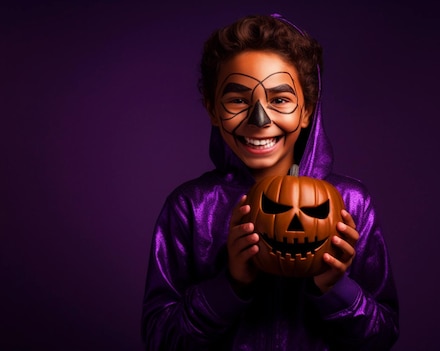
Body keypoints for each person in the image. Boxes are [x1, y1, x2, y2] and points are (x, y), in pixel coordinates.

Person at [141, 13, 399, 350]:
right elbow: (161, 341)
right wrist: (230, 284)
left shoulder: (351, 203)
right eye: (237, 100)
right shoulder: (191, 207)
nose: (259, 119)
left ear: (306, 111)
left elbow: (382, 336)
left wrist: (335, 288)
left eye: (279, 100)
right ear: (212, 110)